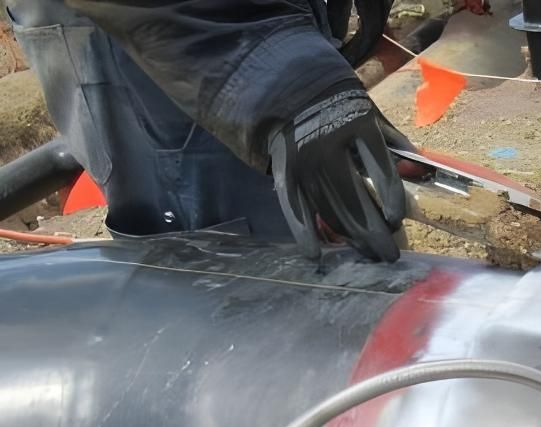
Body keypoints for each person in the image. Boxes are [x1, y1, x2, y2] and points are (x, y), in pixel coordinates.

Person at [6, 0, 409, 261]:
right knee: (250, 280)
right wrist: (264, 63)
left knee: (344, 244)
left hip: (259, 19)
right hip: (164, 23)